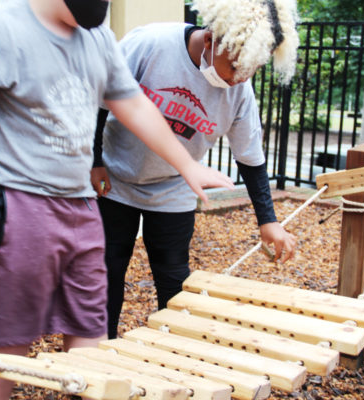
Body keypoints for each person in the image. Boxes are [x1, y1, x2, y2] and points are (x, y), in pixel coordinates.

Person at [0, 0, 235, 398]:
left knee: (89, 330)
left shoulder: (97, 36)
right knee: (8, 341)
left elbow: (131, 103)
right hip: (18, 205)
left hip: (82, 206)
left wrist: (186, 164)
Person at [91, 0, 300, 339]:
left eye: (252, 69)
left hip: (173, 184)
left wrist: (268, 221)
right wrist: (94, 161)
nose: (239, 78)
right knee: (108, 270)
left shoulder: (239, 92)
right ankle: (102, 350)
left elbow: (251, 158)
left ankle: (172, 353)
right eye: (235, 66)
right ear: (210, 40)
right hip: (115, 176)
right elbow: (99, 100)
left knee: (173, 278)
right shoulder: (150, 44)